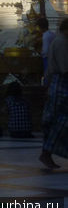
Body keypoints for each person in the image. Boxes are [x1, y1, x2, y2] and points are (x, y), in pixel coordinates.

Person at [40, 17, 68, 169]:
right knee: (61, 121)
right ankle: (46, 153)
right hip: (62, 85)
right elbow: (65, 69)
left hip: (57, 84)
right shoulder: (62, 43)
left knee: (56, 121)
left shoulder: (59, 41)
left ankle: (47, 152)